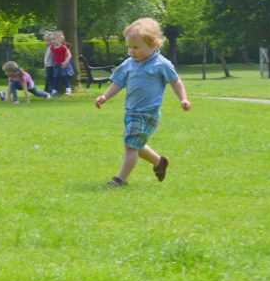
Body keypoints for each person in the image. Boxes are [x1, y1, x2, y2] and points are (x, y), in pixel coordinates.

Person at [94, 18, 191, 186]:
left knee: (130, 146)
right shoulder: (129, 64)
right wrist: (105, 96)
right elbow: (118, 82)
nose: (131, 51)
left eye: (136, 47)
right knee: (136, 145)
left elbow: (175, 82)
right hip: (130, 112)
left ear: (153, 44)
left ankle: (120, 179)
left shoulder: (161, 64)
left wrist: (183, 98)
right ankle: (159, 162)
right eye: (129, 47)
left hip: (148, 113)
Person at [49, 30, 72, 96]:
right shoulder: (52, 48)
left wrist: (65, 62)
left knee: (65, 76)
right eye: (51, 39)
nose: (52, 41)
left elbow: (69, 55)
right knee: (55, 77)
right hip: (57, 65)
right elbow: (53, 56)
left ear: (59, 39)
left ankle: (68, 89)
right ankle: (54, 90)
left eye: (53, 39)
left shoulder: (63, 47)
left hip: (63, 65)